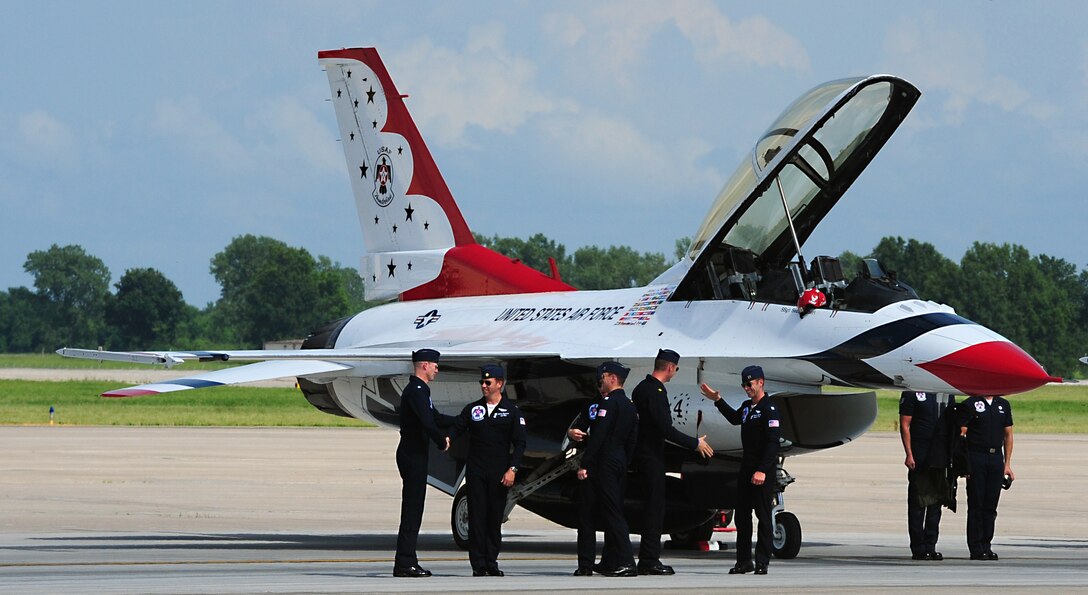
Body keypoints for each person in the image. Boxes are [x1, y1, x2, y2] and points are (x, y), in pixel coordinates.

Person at [632, 349, 714, 575]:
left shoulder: (641, 388)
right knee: (654, 510)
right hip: (652, 458)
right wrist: (694, 444)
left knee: (650, 507)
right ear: (669, 367)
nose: (675, 373)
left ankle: (648, 558)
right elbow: (665, 429)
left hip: (642, 456)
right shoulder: (656, 392)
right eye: (676, 369)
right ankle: (649, 560)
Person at [447, 364, 527, 577]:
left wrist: (513, 469)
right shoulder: (473, 409)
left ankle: (491, 561)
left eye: (488, 382)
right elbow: (457, 428)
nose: (483, 385)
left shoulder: (511, 411)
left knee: (493, 518)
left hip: (499, 473)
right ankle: (478, 564)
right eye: (482, 382)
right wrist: (446, 439)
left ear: (499, 384)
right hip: (476, 471)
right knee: (477, 517)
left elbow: (519, 443)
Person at [700, 365, 780, 575]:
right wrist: (717, 400)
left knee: (763, 516)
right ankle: (744, 561)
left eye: (750, 384)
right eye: (744, 384)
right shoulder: (747, 407)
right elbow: (735, 419)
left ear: (760, 383)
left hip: (763, 470)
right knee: (742, 517)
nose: (747, 388)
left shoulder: (769, 409)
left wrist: (762, 470)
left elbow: (773, 443)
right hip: (746, 468)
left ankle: (762, 561)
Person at [576, 361, 639, 577]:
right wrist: (625, 461)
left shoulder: (608, 403)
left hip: (604, 462)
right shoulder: (630, 405)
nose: (600, 382)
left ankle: (627, 561)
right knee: (615, 511)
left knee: (612, 514)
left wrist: (586, 464)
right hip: (619, 460)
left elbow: (599, 436)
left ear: (612, 378)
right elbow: (632, 439)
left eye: (602, 378)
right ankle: (611, 561)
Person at [393, 348, 451, 578]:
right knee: (412, 510)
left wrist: (465, 420)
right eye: (435, 365)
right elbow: (428, 424)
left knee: (414, 509)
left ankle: (408, 560)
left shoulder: (420, 390)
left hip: (415, 454)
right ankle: (405, 562)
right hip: (412, 455)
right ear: (425, 365)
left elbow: (435, 418)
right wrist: (441, 441)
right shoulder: (416, 391)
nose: (437, 368)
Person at [899, 391, 956, 561]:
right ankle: (918, 547)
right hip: (920, 453)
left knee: (936, 502)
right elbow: (905, 424)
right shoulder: (912, 392)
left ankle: (931, 545)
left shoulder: (946, 392)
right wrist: (909, 454)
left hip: (940, 455)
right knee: (918, 502)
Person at [957, 394, 1014, 561]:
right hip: (976, 456)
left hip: (996, 457)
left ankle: (986, 545)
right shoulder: (971, 403)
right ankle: (976, 547)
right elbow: (962, 434)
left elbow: (1008, 434)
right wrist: (964, 463)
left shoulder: (1003, 404)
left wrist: (1007, 464)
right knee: (976, 503)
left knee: (991, 505)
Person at [570, 376, 617, 576]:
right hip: (589, 467)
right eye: (598, 385)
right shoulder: (591, 406)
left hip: (609, 467)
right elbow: (579, 424)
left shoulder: (620, 405)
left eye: (603, 384)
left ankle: (610, 560)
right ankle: (585, 564)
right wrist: (573, 433)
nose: (601, 389)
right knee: (586, 518)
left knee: (611, 516)